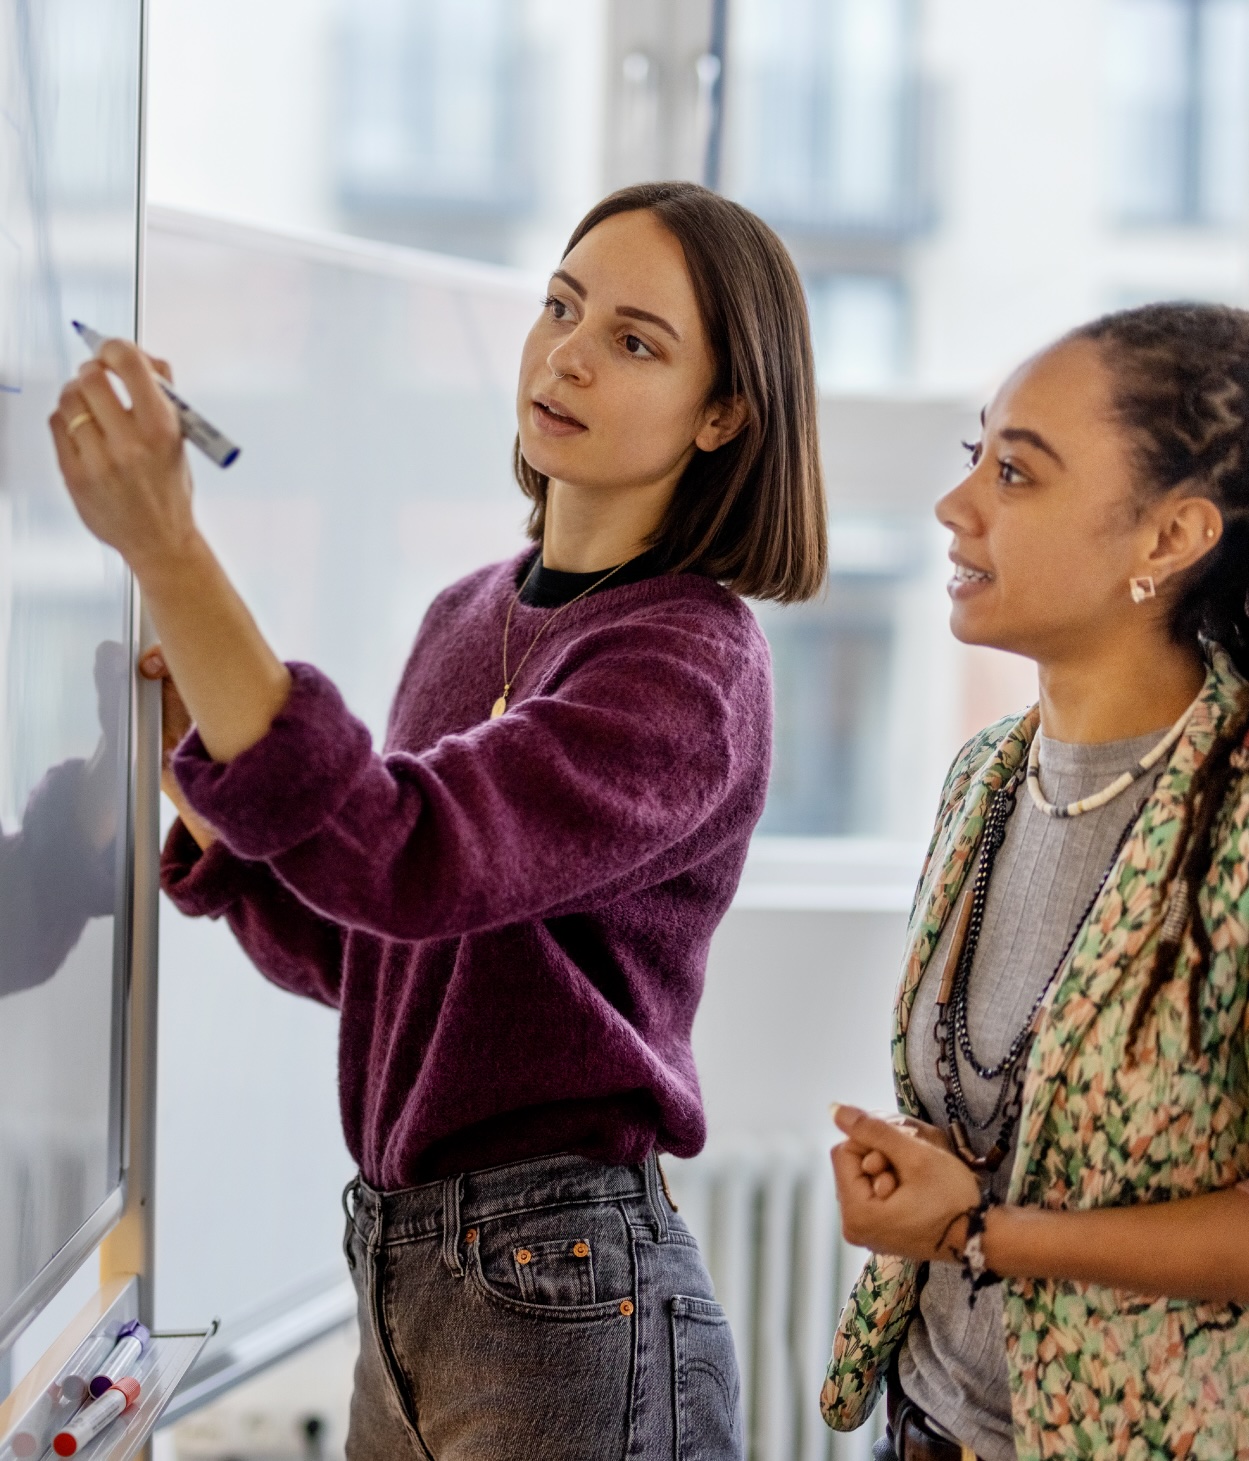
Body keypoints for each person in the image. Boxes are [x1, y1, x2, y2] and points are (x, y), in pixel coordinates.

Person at [47, 181, 827, 1461]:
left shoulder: (689, 664)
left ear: (724, 414)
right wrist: (201, 775)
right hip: (409, 1276)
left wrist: (170, 549)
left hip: (563, 1289)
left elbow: (404, 858)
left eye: (636, 341)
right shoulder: (468, 615)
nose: (568, 352)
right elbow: (370, 951)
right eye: (561, 306)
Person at [820, 303, 1249, 1461]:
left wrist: (978, 1230)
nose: (957, 507)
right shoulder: (985, 776)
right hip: (919, 1425)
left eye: (1016, 472)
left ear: (1169, 541)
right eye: (976, 456)